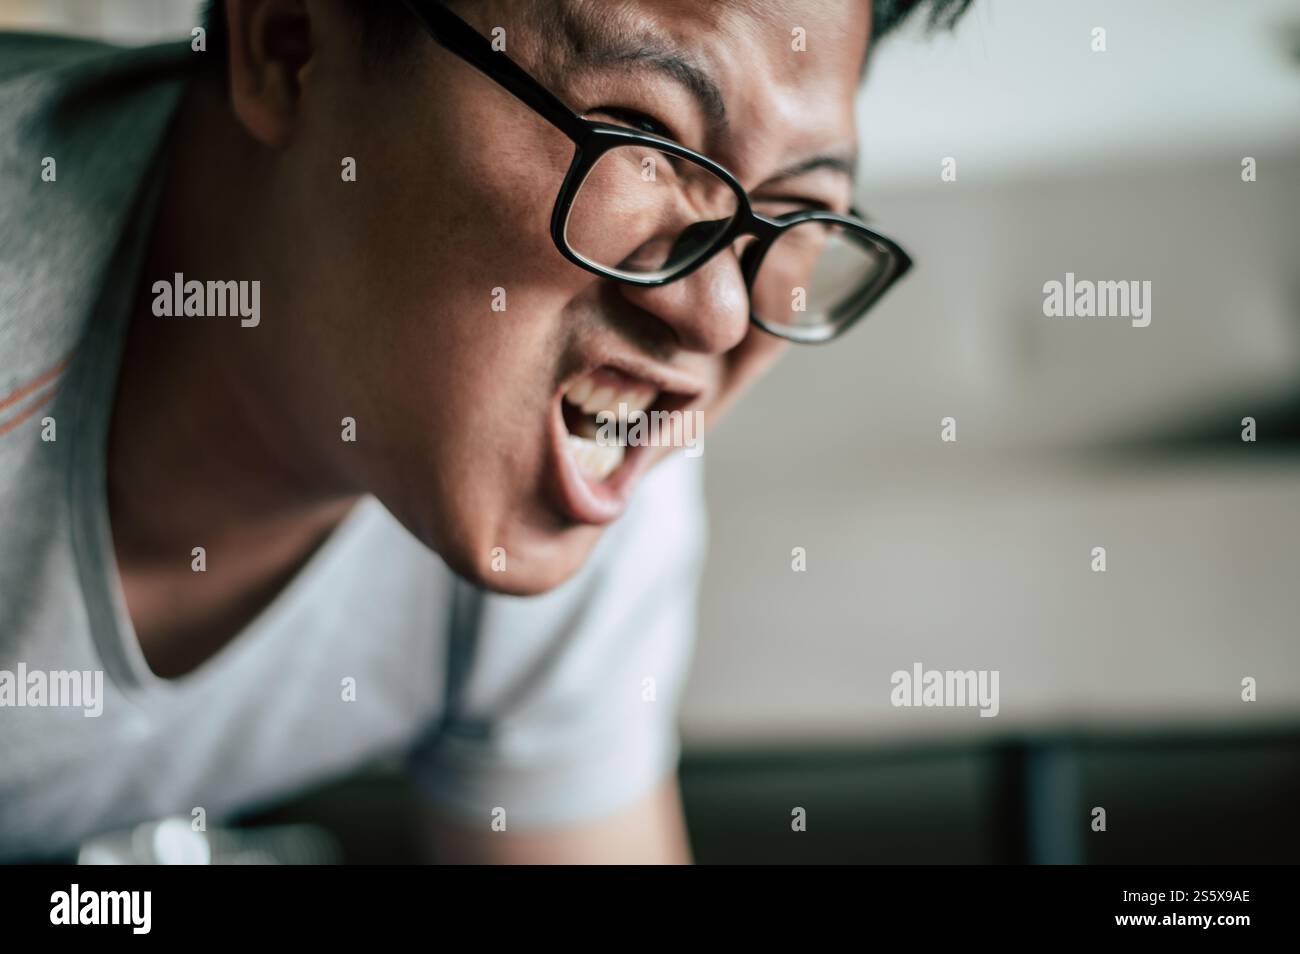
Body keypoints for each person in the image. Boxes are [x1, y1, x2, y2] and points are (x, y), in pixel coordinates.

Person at [0, 0, 970, 863]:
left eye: (799, 212)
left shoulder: (577, 451)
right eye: (642, 135)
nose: (715, 315)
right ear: (290, 40)